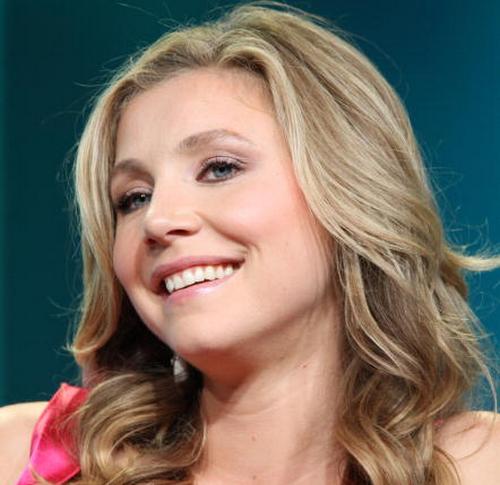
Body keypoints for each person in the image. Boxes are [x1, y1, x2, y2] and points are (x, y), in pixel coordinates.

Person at [1, 2, 499, 484]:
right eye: (134, 198)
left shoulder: (479, 464)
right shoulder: (24, 454)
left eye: (219, 168)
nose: (158, 220)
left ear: (351, 188)